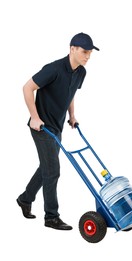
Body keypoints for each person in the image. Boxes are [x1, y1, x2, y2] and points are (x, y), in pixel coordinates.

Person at [17, 32, 99, 230]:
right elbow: (27, 88)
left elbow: (70, 94)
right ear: (72, 49)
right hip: (41, 127)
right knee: (53, 171)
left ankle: (25, 199)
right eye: (84, 51)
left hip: (57, 126)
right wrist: (35, 118)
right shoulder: (54, 69)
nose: (88, 56)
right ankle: (51, 217)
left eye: (90, 53)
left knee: (46, 168)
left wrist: (72, 115)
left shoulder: (81, 72)